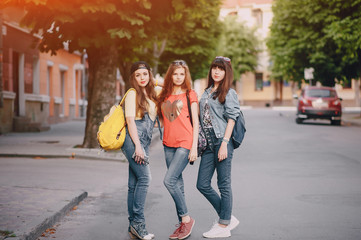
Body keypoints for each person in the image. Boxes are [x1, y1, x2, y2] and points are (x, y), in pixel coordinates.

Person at [196, 56, 241, 238]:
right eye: (214, 68)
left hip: (222, 141)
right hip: (207, 144)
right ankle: (228, 216)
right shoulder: (206, 91)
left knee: (223, 184)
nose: (216, 71)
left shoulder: (229, 92)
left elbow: (232, 118)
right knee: (202, 184)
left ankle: (223, 225)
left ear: (226, 72)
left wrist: (224, 143)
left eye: (221, 69)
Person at [157, 60, 199, 240]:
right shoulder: (164, 94)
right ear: (170, 75)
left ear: (186, 75)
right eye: (175, 74)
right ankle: (183, 226)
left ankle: (186, 219)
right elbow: (151, 80)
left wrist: (194, 147)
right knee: (178, 184)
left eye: (182, 74)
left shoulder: (190, 94)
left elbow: (196, 123)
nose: (179, 77)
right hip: (168, 144)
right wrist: (161, 82)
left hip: (185, 142)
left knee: (169, 180)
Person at [121, 61, 158, 240]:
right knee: (145, 178)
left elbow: (169, 86)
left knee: (133, 184)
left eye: (145, 74)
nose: (142, 78)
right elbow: (130, 121)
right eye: (138, 75)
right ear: (133, 78)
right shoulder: (132, 94)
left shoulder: (151, 93)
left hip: (143, 141)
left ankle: (132, 224)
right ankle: (138, 223)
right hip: (133, 140)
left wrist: (154, 81)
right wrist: (137, 147)